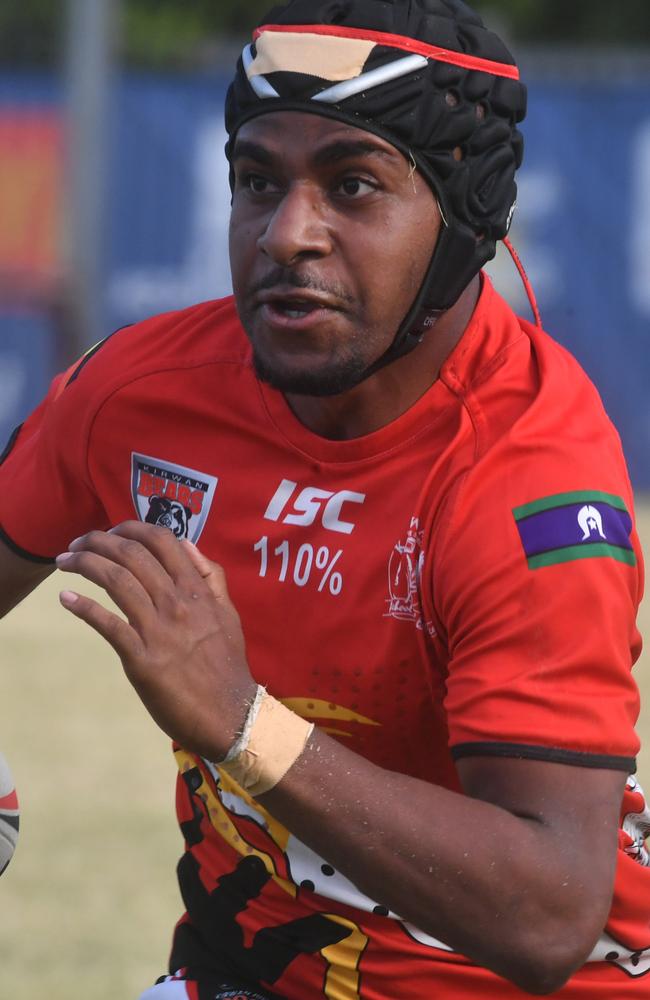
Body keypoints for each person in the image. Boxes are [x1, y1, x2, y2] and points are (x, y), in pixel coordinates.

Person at [1, 0, 649, 996]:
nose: (287, 234)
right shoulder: (139, 393)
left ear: (464, 216)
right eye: (257, 182)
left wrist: (238, 719)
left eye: (353, 186)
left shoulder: (528, 479)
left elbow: (551, 911)